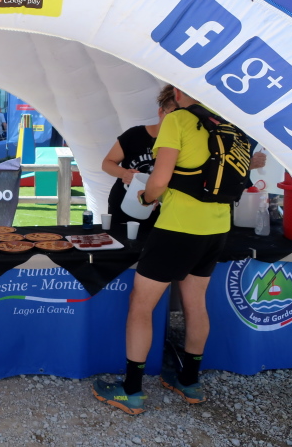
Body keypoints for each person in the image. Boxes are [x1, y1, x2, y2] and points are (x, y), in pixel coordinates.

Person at [92, 87, 236, 415]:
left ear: (180, 91)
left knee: (141, 305)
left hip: (178, 227)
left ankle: (131, 391)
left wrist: (146, 198)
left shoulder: (178, 120)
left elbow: (158, 181)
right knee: (195, 304)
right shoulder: (224, 123)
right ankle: (189, 381)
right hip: (217, 226)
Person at [102, 84, 177, 226]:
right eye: (172, 115)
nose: (176, 122)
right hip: (124, 203)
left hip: (159, 210)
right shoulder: (135, 135)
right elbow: (107, 163)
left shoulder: (182, 143)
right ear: (161, 112)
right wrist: (124, 174)